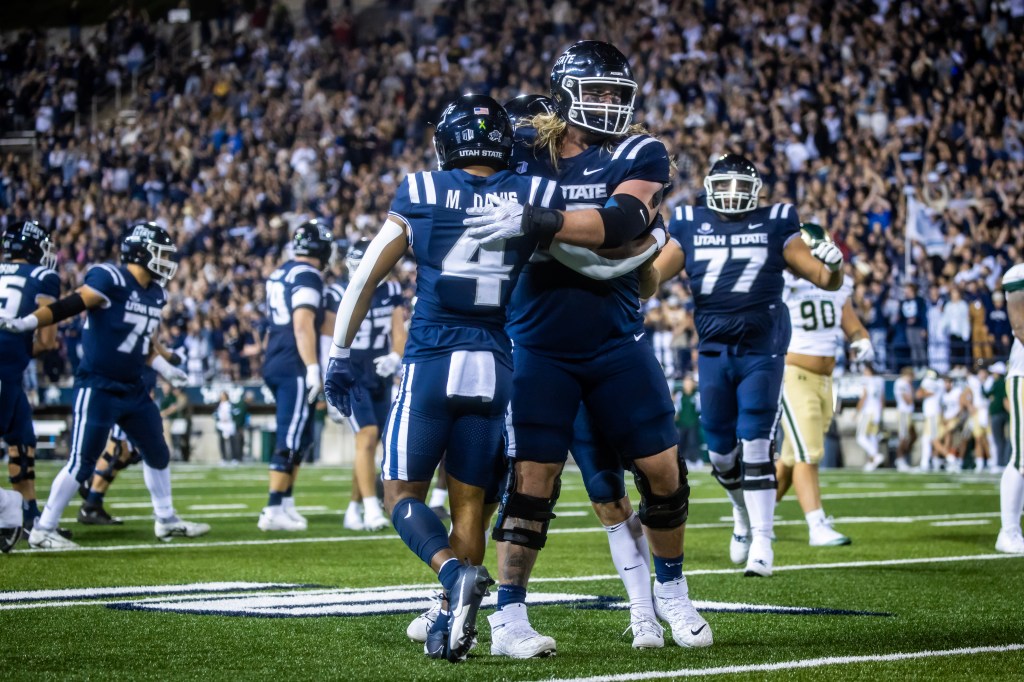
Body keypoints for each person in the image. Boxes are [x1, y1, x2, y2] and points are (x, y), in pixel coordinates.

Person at [466, 44, 709, 654]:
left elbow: (622, 223)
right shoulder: (524, 149)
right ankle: (508, 614)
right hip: (536, 344)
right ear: (564, 92)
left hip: (616, 341)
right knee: (530, 483)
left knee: (664, 472)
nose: (606, 103)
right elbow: (469, 189)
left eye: (614, 93)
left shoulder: (638, 151)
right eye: (595, 91)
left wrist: (538, 221)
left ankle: (672, 591)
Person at [324, 94, 563, 662]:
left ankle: (453, 576)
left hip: (433, 356)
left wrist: (338, 353)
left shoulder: (422, 191)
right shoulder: (535, 195)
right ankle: (455, 618)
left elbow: (365, 277)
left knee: (399, 494)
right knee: (470, 504)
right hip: (494, 362)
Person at [649, 153, 845, 577]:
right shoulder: (690, 221)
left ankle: (763, 541)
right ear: (710, 189)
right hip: (714, 349)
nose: (734, 194)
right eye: (726, 186)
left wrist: (835, 266)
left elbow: (823, 279)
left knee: (756, 444)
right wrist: (629, 259)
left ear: (757, 192)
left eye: (743, 186)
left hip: (762, 349)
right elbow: (651, 278)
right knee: (721, 454)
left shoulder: (776, 221)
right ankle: (740, 512)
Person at [0, 222, 209, 548]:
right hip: (99, 385)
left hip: (133, 388)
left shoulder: (156, 293)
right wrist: (28, 321)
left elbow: (144, 345)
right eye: (161, 253)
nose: (166, 260)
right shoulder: (110, 277)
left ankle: (166, 519)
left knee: (157, 450)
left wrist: (167, 368)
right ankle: (43, 529)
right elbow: (73, 303)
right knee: (82, 461)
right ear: (141, 252)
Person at [776, 222, 873, 546]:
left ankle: (756, 518)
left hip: (826, 379)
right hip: (794, 375)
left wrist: (861, 339)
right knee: (808, 452)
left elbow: (851, 323)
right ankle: (816, 524)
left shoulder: (836, 282)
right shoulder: (783, 282)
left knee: (792, 457)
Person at [257, 220, 333, 532]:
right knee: (290, 436)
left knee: (300, 435)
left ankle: (285, 502)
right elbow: (302, 324)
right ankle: (273, 507)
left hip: (277, 357)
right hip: (294, 362)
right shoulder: (307, 275)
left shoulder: (281, 272)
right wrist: (313, 367)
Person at [334, 239, 405, 532]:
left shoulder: (391, 290)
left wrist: (395, 356)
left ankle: (353, 507)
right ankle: (372, 508)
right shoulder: (338, 292)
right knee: (367, 435)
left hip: (379, 373)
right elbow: (330, 338)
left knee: (372, 441)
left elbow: (398, 330)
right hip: (350, 373)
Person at [0, 221, 60, 535]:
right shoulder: (43, 275)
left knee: (23, 441)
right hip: (6, 366)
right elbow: (48, 341)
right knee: (22, 446)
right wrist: (22, 348)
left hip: (10, 373)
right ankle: (9, 507)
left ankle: (29, 516)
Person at [996, 263, 1024, 554]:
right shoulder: (1019, 274)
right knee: (1022, 455)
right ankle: (1009, 532)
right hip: (1023, 374)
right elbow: (1020, 326)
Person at [857, 364, 886, 472]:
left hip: (868, 412)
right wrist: (881, 412)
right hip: (877, 412)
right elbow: (882, 399)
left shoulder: (866, 380)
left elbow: (864, 396)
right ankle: (872, 462)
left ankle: (875, 455)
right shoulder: (880, 380)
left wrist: (857, 411)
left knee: (861, 437)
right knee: (872, 437)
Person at [917, 368, 945, 471]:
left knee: (932, 440)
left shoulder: (933, 382)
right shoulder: (940, 383)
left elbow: (919, 394)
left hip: (932, 414)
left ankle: (951, 459)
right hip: (932, 414)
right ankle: (926, 463)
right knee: (927, 439)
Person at [893, 365, 916, 471]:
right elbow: (908, 400)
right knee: (903, 437)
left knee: (913, 436)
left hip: (909, 413)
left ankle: (904, 456)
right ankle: (900, 459)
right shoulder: (901, 383)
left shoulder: (907, 384)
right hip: (903, 412)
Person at [215, 391, 236, 465]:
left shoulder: (230, 404)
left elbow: (235, 413)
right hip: (221, 425)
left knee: (232, 442)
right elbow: (215, 414)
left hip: (229, 425)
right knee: (222, 442)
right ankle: (223, 458)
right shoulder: (218, 405)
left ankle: (233, 458)